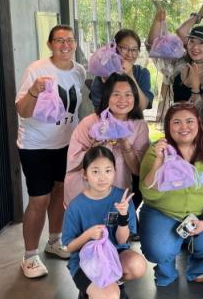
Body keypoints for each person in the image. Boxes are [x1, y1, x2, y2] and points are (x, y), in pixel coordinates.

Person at [15, 24, 86, 278]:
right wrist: (34, 91)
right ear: (50, 44)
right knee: (39, 199)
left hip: (66, 144)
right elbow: (23, 111)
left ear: (75, 43)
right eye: (59, 40)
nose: (65, 45)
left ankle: (54, 240)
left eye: (70, 40)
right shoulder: (36, 70)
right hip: (36, 145)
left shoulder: (79, 71)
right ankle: (30, 256)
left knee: (59, 192)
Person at [139, 103, 203, 286]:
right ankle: (166, 270)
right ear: (168, 126)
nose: (184, 127)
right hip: (162, 212)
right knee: (158, 249)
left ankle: (199, 268)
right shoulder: (157, 150)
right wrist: (159, 161)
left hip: (201, 213)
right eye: (176, 122)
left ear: (199, 124)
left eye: (189, 121)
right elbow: (148, 193)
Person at [62, 146, 147, 299]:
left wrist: (123, 216)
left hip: (115, 253)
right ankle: (86, 291)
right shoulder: (76, 206)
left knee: (138, 265)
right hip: (86, 259)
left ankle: (116, 282)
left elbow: (122, 241)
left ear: (115, 171)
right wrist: (87, 235)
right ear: (84, 174)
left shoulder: (122, 199)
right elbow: (69, 247)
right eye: (95, 171)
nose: (102, 177)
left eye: (108, 170)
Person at [64, 73, 150, 208]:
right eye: (116, 94)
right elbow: (73, 163)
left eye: (128, 94)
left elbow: (138, 170)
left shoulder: (139, 126)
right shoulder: (90, 123)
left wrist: (125, 145)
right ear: (107, 97)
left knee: (116, 220)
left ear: (135, 98)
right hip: (84, 191)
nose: (123, 99)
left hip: (118, 191)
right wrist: (94, 149)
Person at [89, 28, 154, 111]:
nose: (130, 54)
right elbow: (101, 110)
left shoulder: (142, 73)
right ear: (114, 48)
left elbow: (142, 106)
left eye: (134, 50)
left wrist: (130, 75)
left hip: (134, 119)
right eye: (125, 48)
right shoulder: (103, 75)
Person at [171, 25, 203, 117]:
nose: (195, 47)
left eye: (202, 43)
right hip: (176, 122)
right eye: (192, 41)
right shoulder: (179, 65)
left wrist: (196, 89)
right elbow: (152, 47)